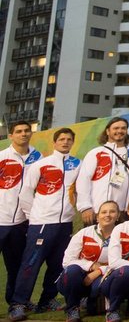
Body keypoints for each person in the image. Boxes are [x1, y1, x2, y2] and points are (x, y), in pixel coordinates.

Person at [9, 128, 79, 319]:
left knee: (57, 265)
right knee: (31, 264)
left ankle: (47, 300)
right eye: (62, 139)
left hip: (65, 223)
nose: (65, 142)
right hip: (41, 223)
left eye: (69, 139)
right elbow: (25, 193)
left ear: (73, 142)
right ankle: (18, 303)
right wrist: (35, 215)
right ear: (54, 143)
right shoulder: (41, 165)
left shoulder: (77, 165)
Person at [0, 120, 39, 316]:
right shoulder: (2, 157)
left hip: (21, 223)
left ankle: (16, 304)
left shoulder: (39, 158)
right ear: (11, 135)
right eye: (18, 131)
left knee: (16, 266)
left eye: (26, 131)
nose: (23, 134)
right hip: (0, 219)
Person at [56, 200, 117, 322]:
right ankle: (72, 309)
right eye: (104, 212)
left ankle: (91, 301)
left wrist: (99, 270)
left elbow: (122, 262)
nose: (108, 215)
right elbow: (67, 261)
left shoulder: (120, 235)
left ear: (118, 215)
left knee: (93, 309)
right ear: (97, 217)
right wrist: (91, 265)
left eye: (112, 211)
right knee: (73, 270)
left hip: (102, 276)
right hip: (75, 277)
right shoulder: (84, 233)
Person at [76, 117, 129, 222]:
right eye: (116, 128)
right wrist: (85, 206)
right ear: (108, 131)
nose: (119, 131)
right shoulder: (96, 153)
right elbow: (83, 180)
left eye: (123, 128)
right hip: (98, 210)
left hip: (124, 211)